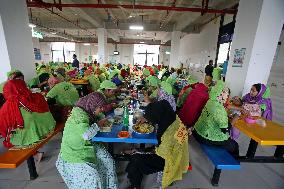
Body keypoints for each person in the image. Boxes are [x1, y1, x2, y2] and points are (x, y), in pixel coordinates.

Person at [56, 92, 118, 189]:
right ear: (93, 106)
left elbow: (94, 120)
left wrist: (99, 120)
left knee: (108, 161)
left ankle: (109, 185)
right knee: (93, 179)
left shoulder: (84, 110)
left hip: (85, 145)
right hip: (74, 152)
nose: (101, 110)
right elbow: (86, 135)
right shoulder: (79, 116)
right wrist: (98, 124)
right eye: (100, 108)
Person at [126, 100, 189, 189]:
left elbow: (160, 153)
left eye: (151, 118)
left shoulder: (169, 134)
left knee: (136, 159)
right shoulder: (173, 120)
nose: (150, 121)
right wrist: (145, 118)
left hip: (170, 160)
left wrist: (139, 151)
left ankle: (135, 186)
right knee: (137, 155)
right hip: (175, 154)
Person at [0, 79, 55, 148]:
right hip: (49, 129)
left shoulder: (6, 108)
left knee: (13, 135)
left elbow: (4, 130)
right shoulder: (38, 96)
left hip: (29, 139)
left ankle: (34, 155)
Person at [193, 81, 239, 157]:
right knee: (234, 145)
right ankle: (232, 162)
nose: (227, 96)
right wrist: (235, 118)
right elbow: (226, 130)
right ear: (221, 94)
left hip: (197, 132)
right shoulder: (218, 108)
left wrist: (225, 116)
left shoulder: (210, 101)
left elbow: (214, 117)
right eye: (226, 93)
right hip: (205, 137)